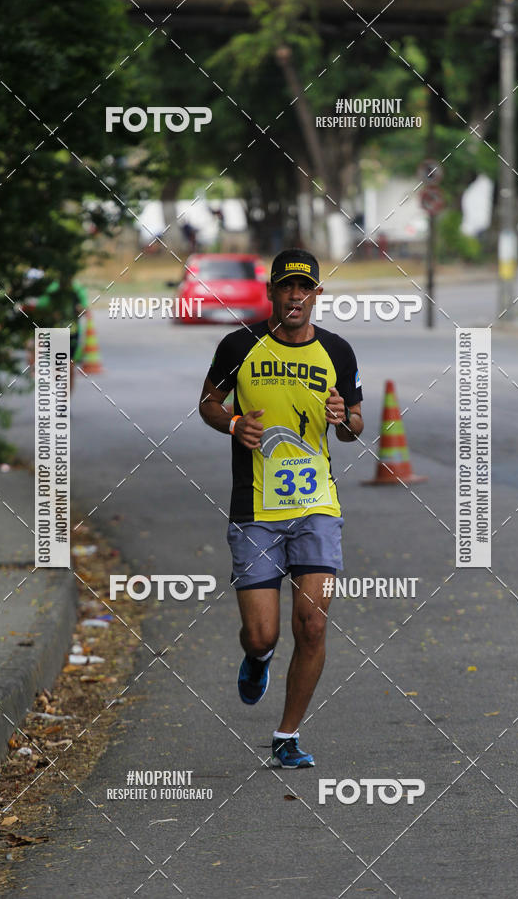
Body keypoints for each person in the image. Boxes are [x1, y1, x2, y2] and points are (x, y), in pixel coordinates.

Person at [199, 248, 363, 768]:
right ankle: (258, 655)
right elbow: (207, 401)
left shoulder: (337, 350)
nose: (296, 296)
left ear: (317, 294)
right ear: (271, 293)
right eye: (287, 287)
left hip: (318, 505)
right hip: (255, 508)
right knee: (263, 631)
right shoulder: (237, 345)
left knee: (312, 625)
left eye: (305, 288)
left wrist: (343, 419)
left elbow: (356, 424)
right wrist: (230, 423)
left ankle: (287, 735)